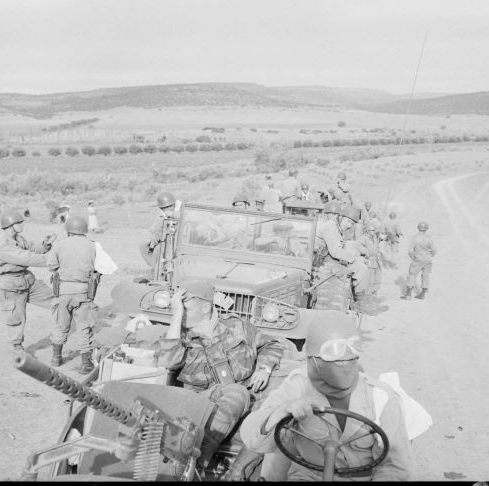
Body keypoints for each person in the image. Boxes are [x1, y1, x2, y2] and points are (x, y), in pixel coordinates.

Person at [240, 311, 412, 481]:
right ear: (313, 358)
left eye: (352, 351)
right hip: (307, 476)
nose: (345, 361)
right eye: (335, 354)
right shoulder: (298, 385)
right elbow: (252, 438)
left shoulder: (380, 396)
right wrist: (281, 410)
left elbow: (395, 466)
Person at [154, 279, 284, 469]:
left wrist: (264, 369)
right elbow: (167, 362)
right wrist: (176, 316)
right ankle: (198, 463)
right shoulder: (177, 335)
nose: (181, 312)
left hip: (247, 397)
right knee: (236, 392)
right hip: (201, 401)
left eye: (185, 307)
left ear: (206, 307)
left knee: (280, 410)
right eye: (178, 308)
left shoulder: (237, 326)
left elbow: (271, 344)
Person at [0, 210, 55, 352]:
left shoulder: (19, 238)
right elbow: (26, 257)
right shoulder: (3, 244)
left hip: (26, 279)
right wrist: (53, 260)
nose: (22, 225)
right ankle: (17, 348)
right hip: (10, 285)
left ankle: (66, 329)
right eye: (19, 223)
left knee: (56, 300)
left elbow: (31, 249)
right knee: (15, 318)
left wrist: (45, 245)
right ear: (11, 225)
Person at [48, 215, 100, 374]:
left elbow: (51, 266)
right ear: (84, 230)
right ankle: (85, 365)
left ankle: (56, 357)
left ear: (68, 230)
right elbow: (101, 268)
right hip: (84, 293)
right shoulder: (93, 246)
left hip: (62, 292)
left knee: (60, 325)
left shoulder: (58, 245)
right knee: (84, 327)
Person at [312, 202, 378, 314]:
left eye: (352, 224)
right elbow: (336, 252)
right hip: (321, 264)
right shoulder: (330, 226)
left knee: (359, 260)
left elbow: (341, 246)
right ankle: (360, 303)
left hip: (327, 260)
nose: (349, 226)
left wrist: (356, 249)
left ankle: (359, 299)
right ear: (341, 217)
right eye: (348, 222)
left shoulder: (337, 227)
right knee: (361, 267)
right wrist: (355, 258)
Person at [139, 191, 180, 270]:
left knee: (159, 249)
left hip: (179, 241)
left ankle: (158, 272)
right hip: (167, 241)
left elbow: (186, 217)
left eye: (169, 207)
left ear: (174, 204)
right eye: (164, 208)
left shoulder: (182, 210)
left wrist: (172, 214)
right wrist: (152, 240)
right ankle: (156, 269)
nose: (167, 209)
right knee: (144, 245)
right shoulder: (161, 216)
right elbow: (156, 231)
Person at [402, 221, 437, 300]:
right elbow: (435, 250)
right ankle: (423, 294)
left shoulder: (414, 238)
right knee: (425, 275)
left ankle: (408, 294)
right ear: (426, 229)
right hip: (427, 260)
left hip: (417, 259)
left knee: (412, 275)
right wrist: (430, 255)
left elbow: (410, 251)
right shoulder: (429, 238)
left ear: (418, 228)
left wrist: (413, 257)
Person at [358, 222, 383, 296]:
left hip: (376, 260)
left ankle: (374, 291)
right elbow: (358, 246)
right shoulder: (363, 238)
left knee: (377, 277)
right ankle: (368, 293)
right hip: (368, 260)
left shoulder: (375, 237)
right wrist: (364, 253)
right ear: (367, 231)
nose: (374, 231)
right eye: (372, 230)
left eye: (374, 230)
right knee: (368, 278)